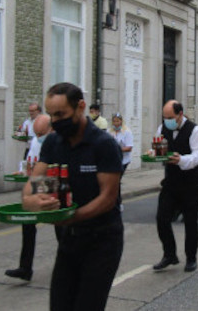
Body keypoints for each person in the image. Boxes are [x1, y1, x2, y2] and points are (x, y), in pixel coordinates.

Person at [22, 83, 123, 310]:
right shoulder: (53, 142)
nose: (55, 121)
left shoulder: (103, 145)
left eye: (61, 114)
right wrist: (31, 201)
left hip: (102, 241)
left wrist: (70, 216)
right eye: (51, 115)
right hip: (69, 240)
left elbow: (107, 199)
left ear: (80, 107)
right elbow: (34, 185)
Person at [150, 100, 198, 273]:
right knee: (162, 218)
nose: (167, 121)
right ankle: (170, 254)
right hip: (171, 182)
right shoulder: (162, 128)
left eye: (170, 117)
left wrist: (181, 160)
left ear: (180, 114)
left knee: (190, 221)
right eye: (165, 117)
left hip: (191, 183)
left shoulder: (195, 130)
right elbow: (159, 148)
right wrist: (152, 153)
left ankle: (191, 258)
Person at [5, 114, 52, 282]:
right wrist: (23, 171)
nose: (38, 137)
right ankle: (25, 268)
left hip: (53, 183)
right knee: (28, 222)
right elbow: (30, 161)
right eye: (36, 134)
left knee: (61, 225)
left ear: (50, 129)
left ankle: (70, 266)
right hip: (36, 182)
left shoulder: (57, 141)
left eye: (42, 133)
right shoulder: (34, 142)